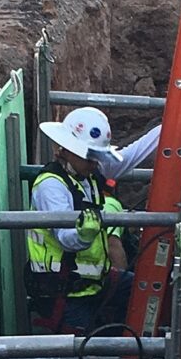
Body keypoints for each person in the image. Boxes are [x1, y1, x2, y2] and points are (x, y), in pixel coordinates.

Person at [24, 107, 161, 335]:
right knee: (85, 352)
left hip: (96, 280)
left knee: (144, 291)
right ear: (66, 149)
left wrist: (170, 125)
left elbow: (130, 156)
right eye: (89, 156)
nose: (94, 162)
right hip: (65, 294)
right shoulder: (52, 186)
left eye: (97, 156)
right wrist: (82, 235)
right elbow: (65, 239)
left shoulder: (88, 171)